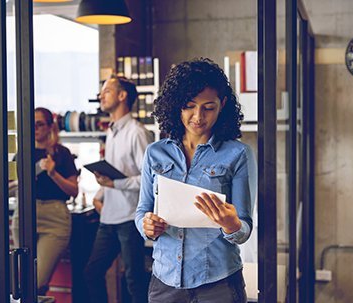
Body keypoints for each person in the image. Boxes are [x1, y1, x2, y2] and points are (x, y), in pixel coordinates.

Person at [135, 58, 257, 303]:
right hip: (164, 281)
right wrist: (146, 226)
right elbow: (142, 211)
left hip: (218, 283)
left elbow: (243, 229)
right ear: (176, 105)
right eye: (189, 106)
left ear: (222, 104)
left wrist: (231, 224)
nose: (198, 116)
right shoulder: (155, 153)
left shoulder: (238, 154)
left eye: (208, 107)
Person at [84, 76, 153, 303]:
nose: (100, 96)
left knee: (134, 281)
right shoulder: (111, 131)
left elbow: (150, 181)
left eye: (107, 91)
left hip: (130, 219)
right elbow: (118, 170)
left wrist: (115, 184)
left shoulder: (137, 133)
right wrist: (101, 192)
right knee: (91, 273)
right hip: (108, 217)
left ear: (122, 96)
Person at [11, 107, 79, 294]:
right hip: (24, 214)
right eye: (31, 125)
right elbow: (9, 187)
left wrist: (53, 172)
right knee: (23, 278)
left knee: (38, 281)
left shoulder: (61, 154)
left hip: (54, 218)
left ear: (50, 126)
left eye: (39, 124)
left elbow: (73, 190)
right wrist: (21, 183)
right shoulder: (22, 154)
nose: (35, 128)